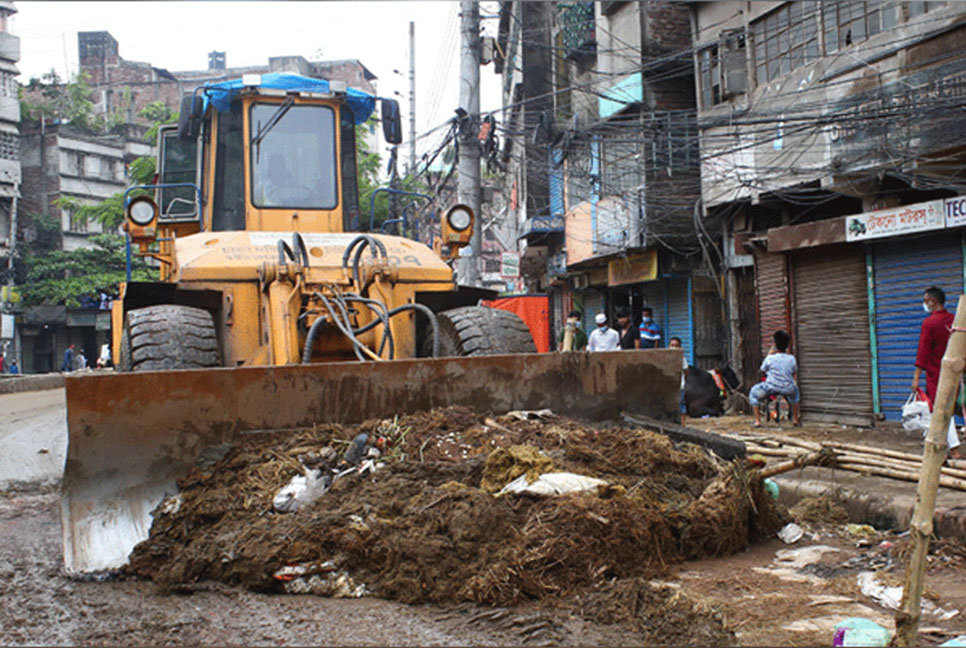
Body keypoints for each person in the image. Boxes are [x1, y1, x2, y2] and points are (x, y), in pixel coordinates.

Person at [912, 286, 962, 459]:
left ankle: (954, 449)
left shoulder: (929, 323)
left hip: (936, 375)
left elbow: (922, 353)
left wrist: (916, 378)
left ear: (933, 302)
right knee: (947, 409)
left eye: (926, 301)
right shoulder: (955, 320)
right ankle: (937, 445)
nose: (925, 304)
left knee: (940, 411)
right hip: (956, 373)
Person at [749, 330, 801, 427]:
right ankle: (795, 419)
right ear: (787, 345)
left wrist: (769, 353)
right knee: (796, 394)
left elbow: (762, 369)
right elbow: (794, 372)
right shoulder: (792, 358)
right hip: (787, 388)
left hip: (771, 387)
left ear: (775, 344)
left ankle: (757, 421)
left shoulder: (770, 358)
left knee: (753, 393)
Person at [669, 337, 688, 425]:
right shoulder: (666, 358)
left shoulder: (682, 359)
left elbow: (686, 371)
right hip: (669, 386)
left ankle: (682, 424)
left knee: (681, 405)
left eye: (676, 346)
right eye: (672, 345)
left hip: (680, 385)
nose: (674, 348)